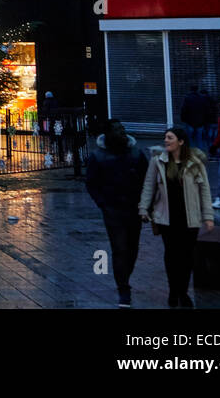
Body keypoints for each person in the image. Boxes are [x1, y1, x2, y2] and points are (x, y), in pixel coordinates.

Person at [139, 126, 215, 308]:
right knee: (172, 256)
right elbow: (149, 186)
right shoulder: (158, 162)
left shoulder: (195, 163)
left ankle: (183, 291)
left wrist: (208, 216)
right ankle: (174, 291)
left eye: (170, 138)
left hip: (190, 218)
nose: (166, 141)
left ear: (180, 142)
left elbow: (204, 190)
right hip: (166, 218)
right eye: (165, 137)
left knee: (187, 257)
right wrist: (143, 208)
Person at [85, 120, 149, 307]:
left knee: (132, 248)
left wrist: (146, 204)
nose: (121, 133)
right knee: (119, 248)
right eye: (117, 131)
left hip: (134, 207)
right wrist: (102, 203)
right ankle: (123, 288)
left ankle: (124, 277)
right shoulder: (98, 156)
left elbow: (147, 179)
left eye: (122, 130)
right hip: (113, 209)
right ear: (108, 134)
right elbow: (91, 182)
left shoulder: (136, 153)